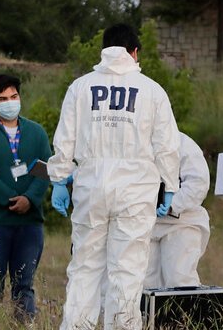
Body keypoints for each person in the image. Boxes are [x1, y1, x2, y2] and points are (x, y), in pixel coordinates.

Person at [47, 23, 181, 330]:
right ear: (135, 52)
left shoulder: (81, 87)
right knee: (128, 271)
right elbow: (167, 146)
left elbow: (64, 138)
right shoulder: (151, 90)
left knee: (84, 267)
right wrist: (169, 186)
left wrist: (59, 179)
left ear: (104, 50)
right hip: (136, 190)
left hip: (91, 187)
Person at [0, 74, 51, 322]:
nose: (10, 102)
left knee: (24, 284)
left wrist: (30, 198)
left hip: (29, 223)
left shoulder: (36, 132)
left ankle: (24, 324)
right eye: (3, 98)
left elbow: (44, 168)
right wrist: (10, 199)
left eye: (14, 96)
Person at [145, 132, 211, 289]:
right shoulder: (137, 142)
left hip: (183, 222)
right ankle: (148, 315)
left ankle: (183, 314)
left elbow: (198, 183)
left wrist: (173, 205)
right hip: (147, 224)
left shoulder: (183, 143)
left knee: (180, 279)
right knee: (145, 282)